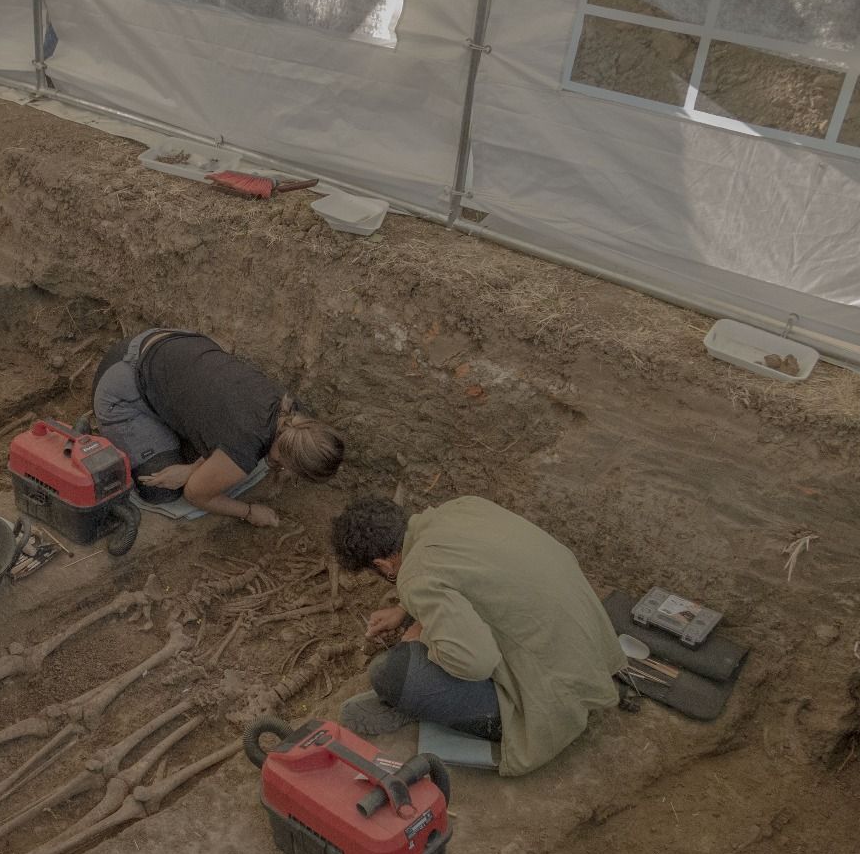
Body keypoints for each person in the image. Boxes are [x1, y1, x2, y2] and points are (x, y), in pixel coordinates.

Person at [330, 494, 625, 776]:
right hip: (593, 650)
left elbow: (475, 661)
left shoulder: (416, 576)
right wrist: (406, 608)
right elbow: (470, 577)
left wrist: (425, 635)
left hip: (555, 696)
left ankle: (427, 707)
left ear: (383, 564)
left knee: (391, 672)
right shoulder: (463, 508)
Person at [90, 329, 344, 525]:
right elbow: (197, 495)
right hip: (122, 386)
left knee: (201, 454)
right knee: (160, 490)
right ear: (289, 464)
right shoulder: (245, 447)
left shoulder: (293, 411)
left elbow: (228, 429)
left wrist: (193, 468)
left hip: (170, 341)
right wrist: (249, 512)